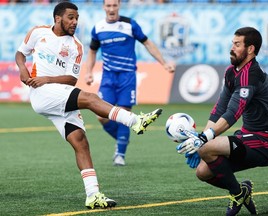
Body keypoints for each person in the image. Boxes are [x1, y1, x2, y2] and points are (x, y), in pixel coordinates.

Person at [15, 2, 162, 210]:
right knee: (91, 99)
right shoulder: (38, 33)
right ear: (58, 18)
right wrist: (23, 69)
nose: (75, 22)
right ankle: (135, 121)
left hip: (56, 91)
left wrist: (47, 78)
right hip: (42, 94)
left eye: (77, 18)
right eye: (71, 17)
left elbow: (71, 80)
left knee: (80, 141)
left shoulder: (76, 46)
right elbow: (21, 53)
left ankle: (93, 195)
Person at [176, 27, 268, 216]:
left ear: (250, 49)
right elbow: (219, 110)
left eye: (237, 45)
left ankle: (236, 194)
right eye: (232, 43)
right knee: (202, 172)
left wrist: (204, 140)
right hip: (249, 136)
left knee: (205, 148)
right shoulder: (231, 72)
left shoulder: (251, 74)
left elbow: (233, 113)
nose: (232, 48)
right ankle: (241, 191)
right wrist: (201, 137)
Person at [85, 0, 175, 166]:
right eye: (108, 6)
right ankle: (122, 139)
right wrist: (89, 72)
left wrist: (163, 63)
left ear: (119, 6)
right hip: (108, 77)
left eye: (114, 5)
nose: (111, 9)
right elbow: (92, 51)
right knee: (101, 116)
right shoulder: (98, 28)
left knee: (125, 114)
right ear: (103, 7)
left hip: (127, 77)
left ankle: (120, 154)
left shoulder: (130, 25)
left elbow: (147, 43)